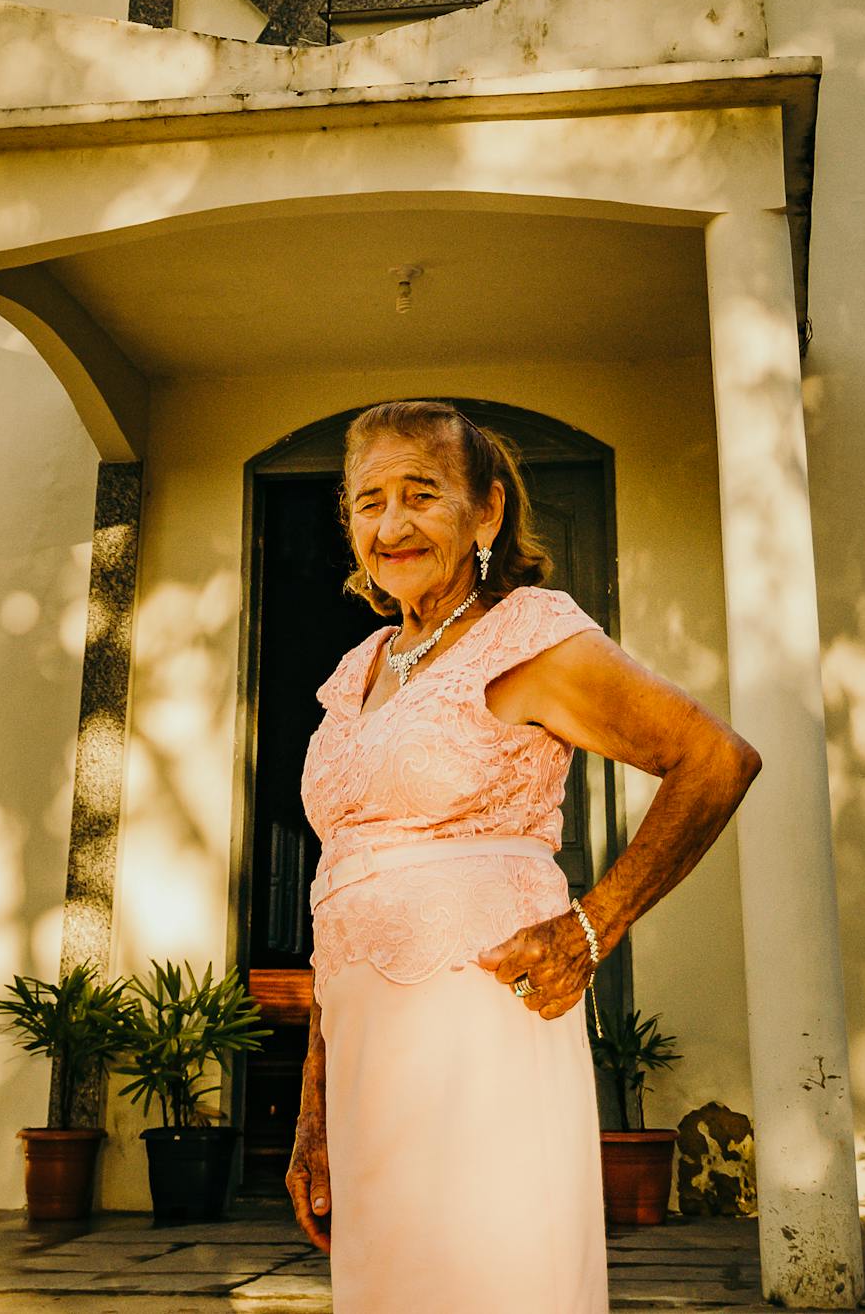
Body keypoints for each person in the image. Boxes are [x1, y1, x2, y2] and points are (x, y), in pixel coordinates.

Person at [287, 399, 761, 1314]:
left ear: (488, 512)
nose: (391, 526)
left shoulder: (527, 634)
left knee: (490, 1281)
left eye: (420, 495)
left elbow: (714, 759)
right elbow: (341, 883)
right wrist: (314, 1112)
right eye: (367, 501)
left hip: (480, 1033)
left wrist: (593, 925)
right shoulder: (360, 671)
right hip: (362, 1057)